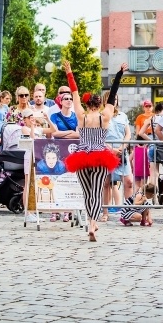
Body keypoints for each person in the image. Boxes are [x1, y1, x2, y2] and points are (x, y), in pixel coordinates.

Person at [63, 60, 127, 241]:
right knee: (97, 192)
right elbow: (113, 93)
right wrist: (120, 73)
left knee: (86, 192)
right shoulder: (105, 117)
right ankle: (92, 223)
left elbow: (74, 93)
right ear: (100, 105)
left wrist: (70, 72)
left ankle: (90, 221)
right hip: (100, 156)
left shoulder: (81, 116)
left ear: (87, 104)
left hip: (82, 156)